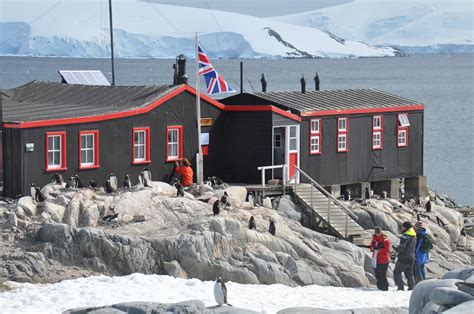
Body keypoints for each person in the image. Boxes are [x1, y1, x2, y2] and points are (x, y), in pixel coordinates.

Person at [393, 221, 417, 291]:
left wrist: (395, 247)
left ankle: (400, 288)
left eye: (403, 227)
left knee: (397, 271)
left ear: (406, 227)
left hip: (403, 257)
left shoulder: (405, 236)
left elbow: (402, 248)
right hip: (411, 257)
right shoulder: (414, 235)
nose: (402, 228)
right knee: (410, 274)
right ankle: (412, 288)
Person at [370, 226, 391, 291]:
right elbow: (371, 248)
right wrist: (373, 249)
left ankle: (385, 288)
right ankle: (379, 287)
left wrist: (379, 249)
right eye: (377, 233)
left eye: (379, 233)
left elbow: (387, 250)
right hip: (376, 260)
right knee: (377, 275)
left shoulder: (385, 239)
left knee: (382, 275)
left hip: (384, 260)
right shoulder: (374, 239)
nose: (378, 234)